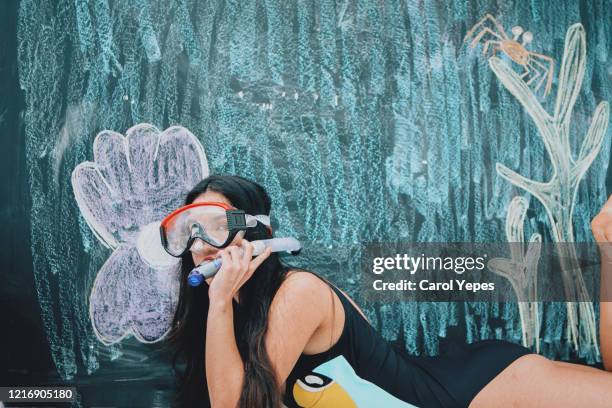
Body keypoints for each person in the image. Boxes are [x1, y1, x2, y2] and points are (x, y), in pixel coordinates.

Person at [166, 174, 612, 408]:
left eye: (219, 226)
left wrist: (221, 299)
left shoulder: (297, 293)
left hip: (473, 392)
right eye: (192, 230)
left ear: (257, 235)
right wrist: (221, 306)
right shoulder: (225, 321)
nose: (202, 243)